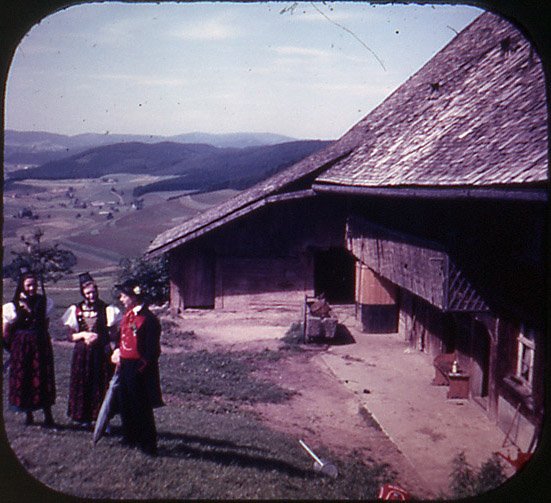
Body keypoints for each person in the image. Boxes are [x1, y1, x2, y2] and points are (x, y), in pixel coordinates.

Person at [61, 272, 121, 428]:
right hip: (82, 354)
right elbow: (70, 337)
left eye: (94, 292)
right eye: (88, 293)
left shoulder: (107, 309)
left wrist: (111, 346)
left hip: (100, 353)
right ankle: (84, 418)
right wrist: (83, 334)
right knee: (83, 384)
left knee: (101, 385)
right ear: (83, 293)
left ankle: (104, 421)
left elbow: (114, 334)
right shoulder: (75, 310)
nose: (91, 295)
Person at [111, 279, 163, 456]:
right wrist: (118, 351)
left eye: (124, 296)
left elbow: (152, 350)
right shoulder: (128, 315)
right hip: (125, 364)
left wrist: (140, 369)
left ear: (133, 297)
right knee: (125, 402)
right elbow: (122, 337)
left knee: (141, 406)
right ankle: (130, 437)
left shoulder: (148, 320)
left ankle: (148, 444)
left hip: (138, 368)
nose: (121, 299)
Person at [2, 269, 56, 427]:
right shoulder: (12, 306)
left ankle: (48, 415)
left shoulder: (45, 302)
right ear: (22, 286)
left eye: (34, 285)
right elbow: (5, 331)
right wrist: (13, 347)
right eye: (29, 285)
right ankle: (28, 414)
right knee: (25, 376)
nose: (32, 288)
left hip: (40, 344)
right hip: (22, 345)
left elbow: (44, 323)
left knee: (43, 376)